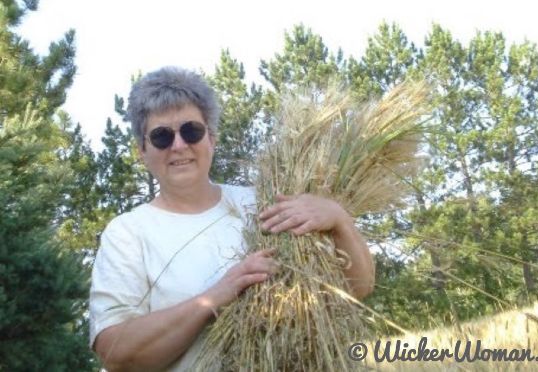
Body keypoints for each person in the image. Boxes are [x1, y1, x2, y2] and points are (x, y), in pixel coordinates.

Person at [89, 66, 375, 371]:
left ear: (211, 139)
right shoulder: (127, 233)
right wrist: (214, 297)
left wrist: (339, 220)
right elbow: (116, 352)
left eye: (191, 131)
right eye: (161, 136)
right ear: (142, 151)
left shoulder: (263, 201)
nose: (179, 145)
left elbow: (357, 288)